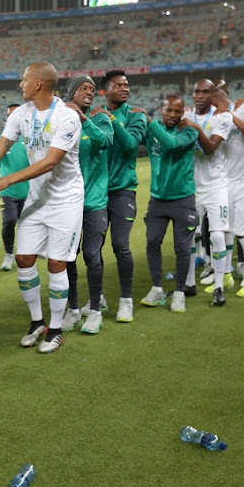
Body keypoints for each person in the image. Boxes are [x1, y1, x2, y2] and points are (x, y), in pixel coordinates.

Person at [0, 62, 82, 354]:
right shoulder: (22, 114)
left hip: (66, 200)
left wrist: (8, 179)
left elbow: (51, 161)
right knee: (24, 259)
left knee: (56, 263)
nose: (21, 84)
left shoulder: (68, 117)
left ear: (38, 83)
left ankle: (55, 328)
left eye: (25, 79)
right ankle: (37, 321)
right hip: (37, 200)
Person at [137, 95, 200, 312]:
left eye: (178, 111)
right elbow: (131, 137)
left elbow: (171, 144)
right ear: (162, 109)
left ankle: (180, 292)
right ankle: (157, 289)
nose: (173, 115)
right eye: (170, 110)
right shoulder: (152, 131)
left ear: (183, 112)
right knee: (152, 242)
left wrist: (150, 122)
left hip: (183, 199)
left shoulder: (189, 132)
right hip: (158, 200)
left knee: (182, 248)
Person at [61, 75, 112, 334]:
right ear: (72, 93)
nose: (89, 93)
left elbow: (105, 142)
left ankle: (94, 310)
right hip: (68, 201)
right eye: (83, 88)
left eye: (92, 89)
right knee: (68, 257)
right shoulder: (60, 117)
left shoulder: (100, 118)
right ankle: (72, 309)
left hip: (94, 201)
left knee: (92, 255)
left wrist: (85, 120)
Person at [100, 69, 147, 323]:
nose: (125, 88)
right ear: (105, 90)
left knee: (120, 245)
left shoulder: (135, 116)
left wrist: (111, 119)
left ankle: (126, 300)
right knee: (92, 249)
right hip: (97, 192)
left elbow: (130, 145)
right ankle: (97, 298)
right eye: (118, 85)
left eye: (126, 85)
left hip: (122, 190)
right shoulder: (94, 115)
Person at [185, 79, 235, 306]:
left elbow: (210, 148)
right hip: (192, 185)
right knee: (188, 235)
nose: (200, 95)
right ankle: (189, 283)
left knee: (216, 235)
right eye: (197, 91)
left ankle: (219, 286)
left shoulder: (222, 117)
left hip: (217, 185)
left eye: (205, 92)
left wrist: (194, 127)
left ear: (213, 95)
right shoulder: (187, 114)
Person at [217, 89, 244, 297]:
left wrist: (230, 114)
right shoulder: (215, 116)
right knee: (224, 230)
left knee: (243, 232)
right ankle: (225, 274)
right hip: (223, 181)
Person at [0, 103, 29, 271]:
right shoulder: (1, 139)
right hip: (7, 190)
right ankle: (9, 254)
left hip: (28, 190)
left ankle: (23, 253)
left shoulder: (30, 138)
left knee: (27, 225)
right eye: (10, 115)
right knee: (9, 221)